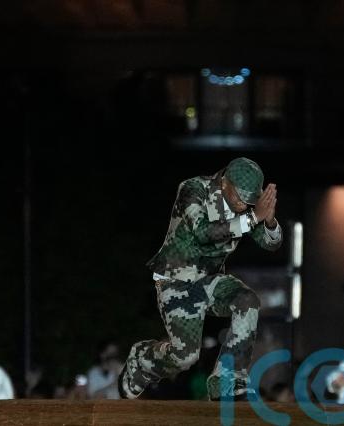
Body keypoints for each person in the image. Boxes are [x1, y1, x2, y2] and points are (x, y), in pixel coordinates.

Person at [119, 157, 282, 401]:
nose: (242, 205)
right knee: (185, 357)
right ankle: (142, 359)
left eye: (248, 202)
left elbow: (271, 244)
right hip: (177, 280)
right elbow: (202, 232)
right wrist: (252, 219)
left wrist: (268, 221)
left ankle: (227, 379)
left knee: (247, 300)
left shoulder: (247, 206)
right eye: (239, 198)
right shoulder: (193, 189)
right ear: (225, 182)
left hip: (211, 281)